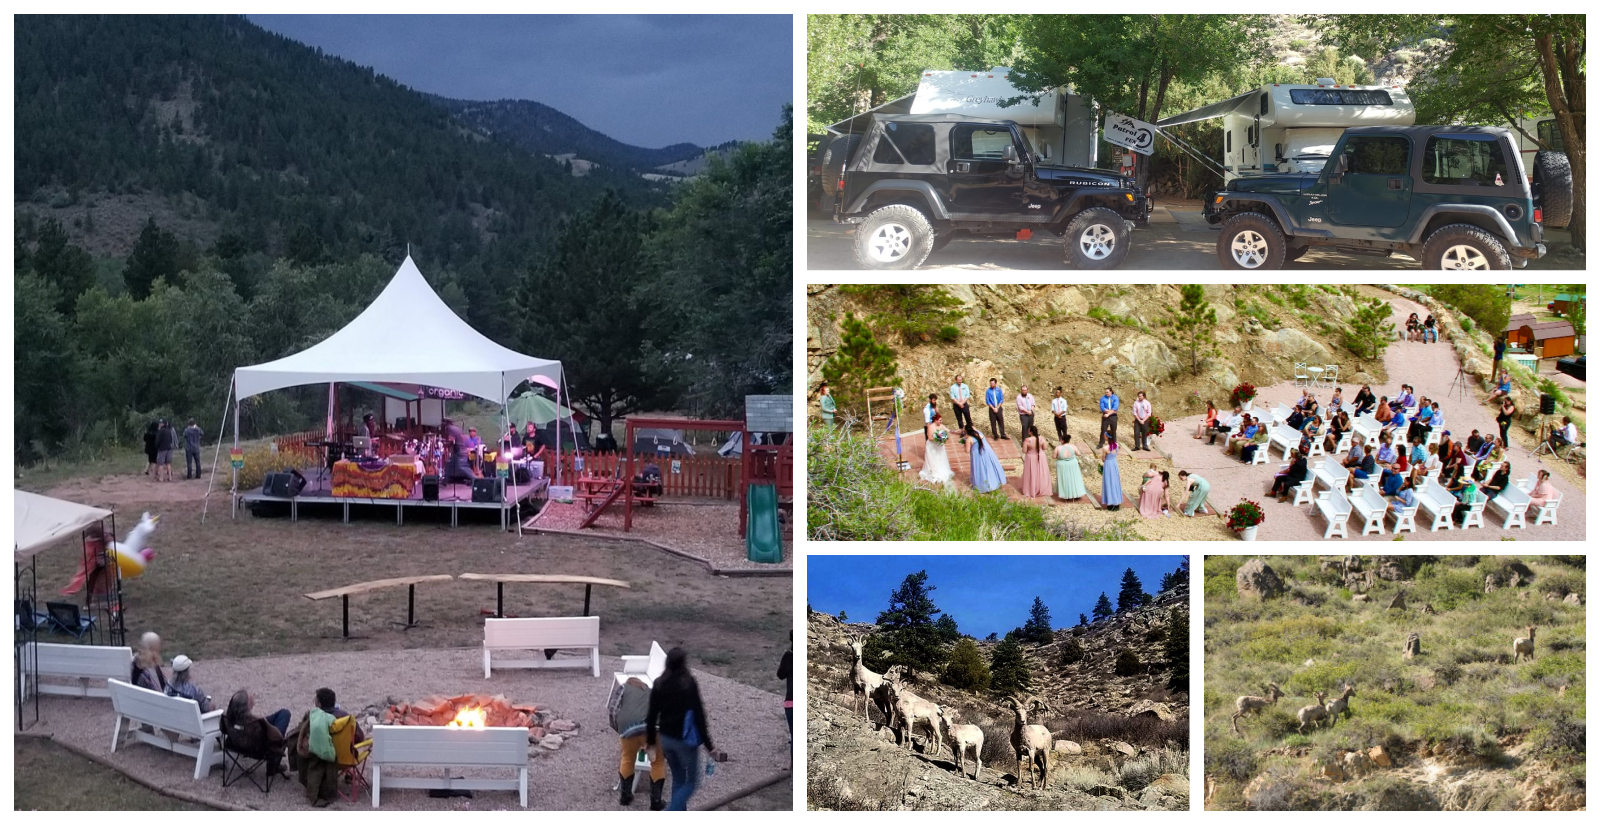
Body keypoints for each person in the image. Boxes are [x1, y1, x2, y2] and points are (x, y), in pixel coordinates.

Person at [647, 648, 725, 811]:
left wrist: (651, 742)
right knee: (692, 783)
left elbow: (652, 715)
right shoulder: (689, 684)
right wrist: (709, 746)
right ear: (684, 664)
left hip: (666, 739)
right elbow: (699, 715)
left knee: (679, 778)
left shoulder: (659, 684)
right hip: (684, 740)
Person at [293, 687, 359, 807]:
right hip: (346, 759)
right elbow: (360, 737)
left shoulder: (313, 719)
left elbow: (301, 738)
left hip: (322, 757)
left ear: (319, 704)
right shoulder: (345, 717)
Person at [613, 674, 668, 808]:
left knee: (627, 759)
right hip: (652, 730)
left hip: (628, 730)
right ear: (641, 684)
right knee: (657, 762)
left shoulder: (623, 688)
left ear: (629, 683)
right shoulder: (650, 691)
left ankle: (625, 797)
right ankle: (655, 803)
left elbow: (613, 710)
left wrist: (619, 729)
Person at [965, 425, 1007, 494]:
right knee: (989, 468)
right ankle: (994, 483)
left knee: (980, 469)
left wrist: (964, 445)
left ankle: (982, 485)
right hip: (986, 453)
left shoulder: (969, 439)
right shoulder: (979, 433)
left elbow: (967, 450)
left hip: (977, 456)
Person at [918, 413, 954, 487]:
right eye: (940, 420)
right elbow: (930, 438)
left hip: (939, 445)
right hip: (932, 446)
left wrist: (955, 432)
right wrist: (938, 438)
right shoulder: (930, 427)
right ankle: (933, 472)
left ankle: (941, 470)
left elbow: (948, 430)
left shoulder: (941, 426)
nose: (941, 421)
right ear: (935, 420)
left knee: (940, 458)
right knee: (933, 459)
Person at [1054, 434, 1087, 502]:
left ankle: (1066, 495)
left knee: (1064, 479)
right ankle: (1076, 494)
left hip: (1062, 464)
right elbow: (1078, 453)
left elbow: (1054, 456)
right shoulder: (1073, 446)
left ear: (1063, 440)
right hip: (1072, 464)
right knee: (1074, 478)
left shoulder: (1058, 448)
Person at [1020, 425, 1051, 498]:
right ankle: (1041, 488)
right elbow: (1045, 447)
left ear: (1030, 432)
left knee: (1031, 473)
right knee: (1040, 472)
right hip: (1041, 456)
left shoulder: (1027, 440)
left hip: (1031, 457)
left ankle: (1031, 489)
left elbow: (1024, 451)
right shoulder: (1041, 438)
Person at [1098, 437, 1124, 510]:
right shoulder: (1116, 445)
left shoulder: (1105, 448)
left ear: (1107, 437)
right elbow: (1116, 453)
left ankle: (1110, 502)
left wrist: (1104, 461)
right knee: (1115, 482)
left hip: (1108, 465)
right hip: (1114, 463)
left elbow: (1103, 458)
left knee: (1109, 482)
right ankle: (1117, 501)